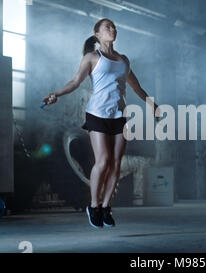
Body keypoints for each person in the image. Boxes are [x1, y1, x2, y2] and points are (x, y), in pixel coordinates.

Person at [42, 18, 160, 229]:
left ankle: (106, 206)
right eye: (107, 27)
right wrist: (56, 94)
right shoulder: (92, 57)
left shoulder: (124, 60)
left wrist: (152, 103)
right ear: (97, 34)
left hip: (119, 116)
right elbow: (75, 82)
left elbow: (136, 86)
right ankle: (94, 205)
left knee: (116, 163)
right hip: (97, 114)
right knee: (104, 161)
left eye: (114, 26)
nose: (112, 29)